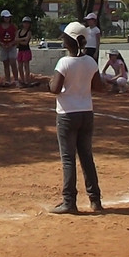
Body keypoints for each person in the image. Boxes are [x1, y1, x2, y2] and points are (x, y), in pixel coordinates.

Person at [47, 21, 105, 214]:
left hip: (67, 114)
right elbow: (99, 87)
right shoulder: (90, 61)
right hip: (86, 112)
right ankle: (95, 199)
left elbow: (55, 89)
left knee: (68, 159)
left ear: (69, 41)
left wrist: (49, 83)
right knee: (87, 156)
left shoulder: (64, 62)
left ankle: (69, 201)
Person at [0, 9, 17, 85]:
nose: (7, 19)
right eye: (6, 17)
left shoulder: (13, 27)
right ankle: (8, 80)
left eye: (8, 17)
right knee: (6, 64)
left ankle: (16, 80)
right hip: (3, 47)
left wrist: (12, 43)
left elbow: (17, 37)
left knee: (13, 62)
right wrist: (1, 43)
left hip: (12, 47)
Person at [15, 15, 34, 86]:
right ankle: (22, 80)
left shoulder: (29, 32)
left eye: (28, 23)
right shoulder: (19, 31)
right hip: (20, 50)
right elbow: (16, 39)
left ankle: (27, 80)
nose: (26, 24)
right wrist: (23, 39)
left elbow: (26, 42)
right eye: (25, 23)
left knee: (26, 66)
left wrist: (19, 41)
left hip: (26, 50)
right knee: (20, 66)